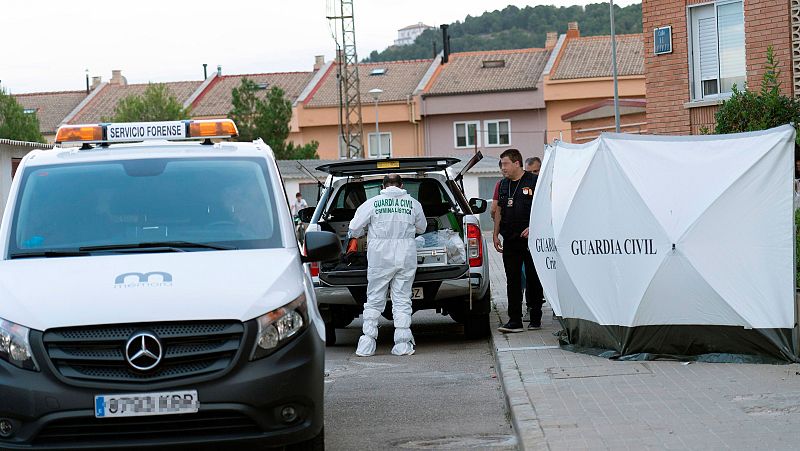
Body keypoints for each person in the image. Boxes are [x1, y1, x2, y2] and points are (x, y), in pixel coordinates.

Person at [349, 174, 427, 356]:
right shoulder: (413, 203)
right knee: (402, 299)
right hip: (405, 254)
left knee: (375, 298)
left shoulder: (372, 203)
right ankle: (402, 345)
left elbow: (354, 228)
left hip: (379, 256)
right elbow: (422, 228)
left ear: (382, 186)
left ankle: (367, 345)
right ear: (402, 185)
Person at [493, 148, 544, 333]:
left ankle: (535, 317)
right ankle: (514, 320)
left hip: (530, 239)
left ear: (516, 163)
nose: (502, 167)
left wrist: (535, 227)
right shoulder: (503, 184)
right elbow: (498, 209)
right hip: (510, 239)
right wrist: (495, 233)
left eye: (505, 164)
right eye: (501, 164)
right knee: (512, 279)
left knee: (533, 278)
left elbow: (545, 207)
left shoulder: (534, 181)